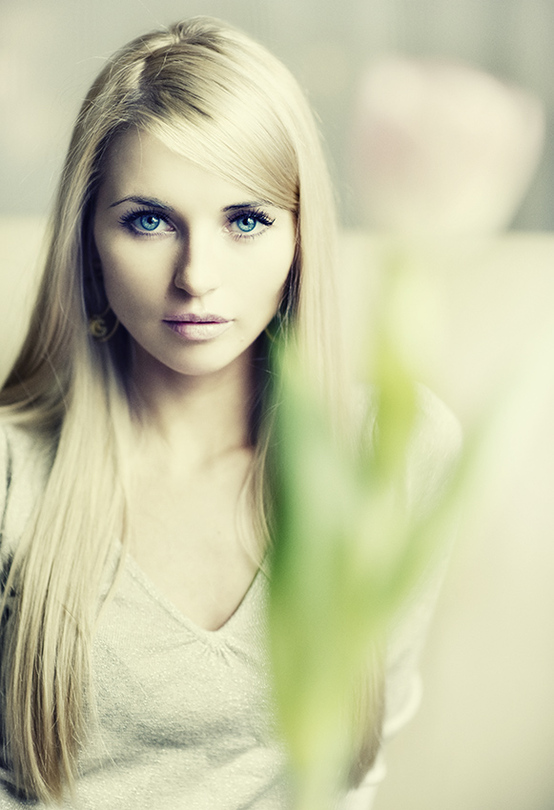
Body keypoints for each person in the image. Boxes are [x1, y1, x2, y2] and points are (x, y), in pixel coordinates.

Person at [0, 16, 461, 809]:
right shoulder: (13, 470)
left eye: (246, 220)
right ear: (88, 243)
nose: (197, 278)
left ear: (300, 237)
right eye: (149, 220)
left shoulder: (396, 449)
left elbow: (356, 767)